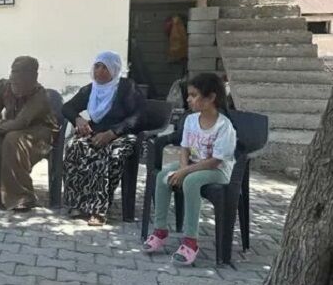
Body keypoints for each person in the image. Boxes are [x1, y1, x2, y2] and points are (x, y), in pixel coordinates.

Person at [143, 73, 237, 265]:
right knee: (163, 176)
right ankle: (160, 230)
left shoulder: (224, 126)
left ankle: (190, 241)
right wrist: (183, 168)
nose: (188, 99)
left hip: (217, 171)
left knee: (191, 182)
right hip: (193, 164)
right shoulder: (191, 120)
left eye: (194, 95)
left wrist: (184, 173)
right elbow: (184, 148)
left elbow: (215, 161)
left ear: (211, 97)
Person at [61, 51, 145, 225]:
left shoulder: (127, 87)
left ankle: (98, 209)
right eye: (97, 66)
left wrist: (112, 133)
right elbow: (67, 107)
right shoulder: (90, 89)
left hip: (123, 134)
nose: (99, 71)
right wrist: (78, 119)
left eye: (104, 67)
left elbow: (138, 116)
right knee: (74, 146)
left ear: (114, 69)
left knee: (105, 154)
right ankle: (78, 203)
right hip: (97, 132)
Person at [0, 56, 58, 211]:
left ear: (33, 78)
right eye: (14, 73)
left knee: (12, 139)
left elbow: (21, 122)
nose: (16, 81)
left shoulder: (39, 95)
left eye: (23, 76)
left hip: (40, 133)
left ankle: (22, 197)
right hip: (13, 128)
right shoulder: (4, 86)